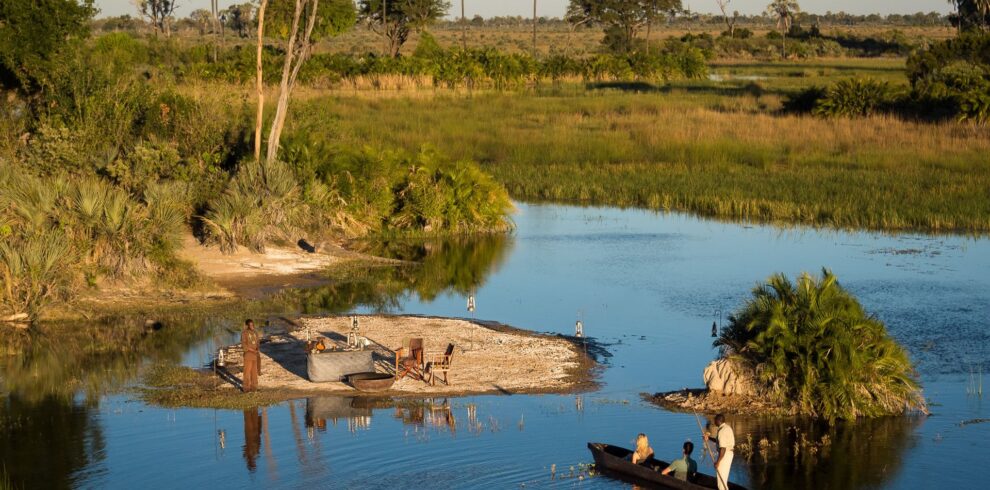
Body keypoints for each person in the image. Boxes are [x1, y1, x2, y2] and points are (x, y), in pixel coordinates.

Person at [705, 414, 735, 490]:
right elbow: (720, 442)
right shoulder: (727, 428)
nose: (714, 421)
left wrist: (718, 462)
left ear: (718, 421)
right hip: (729, 454)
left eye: (715, 420)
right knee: (723, 479)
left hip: (725, 455)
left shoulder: (722, 431)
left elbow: (723, 448)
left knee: (721, 481)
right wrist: (709, 439)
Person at [241, 319, 260, 392]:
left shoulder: (255, 332)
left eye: (253, 325)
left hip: (255, 355)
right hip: (248, 355)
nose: (252, 326)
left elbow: (258, 342)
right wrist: (252, 350)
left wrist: (257, 348)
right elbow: (244, 344)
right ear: (247, 326)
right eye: (250, 325)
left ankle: (254, 387)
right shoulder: (244, 333)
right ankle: (246, 388)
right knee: (247, 372)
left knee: (254, 372)